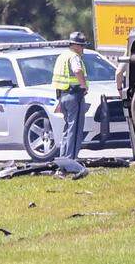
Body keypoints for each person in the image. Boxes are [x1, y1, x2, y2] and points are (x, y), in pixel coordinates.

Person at [51, 31, 90, 179]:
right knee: (75, 131)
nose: (82, 48)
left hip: (64, 96)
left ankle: (62, 163)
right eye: (80, 45)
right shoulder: (74, 57)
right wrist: (84, 85)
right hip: (75, 96)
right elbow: (77, 70)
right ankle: (70, 164)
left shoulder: (62, 56)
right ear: (74, 45)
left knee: (67, 130)